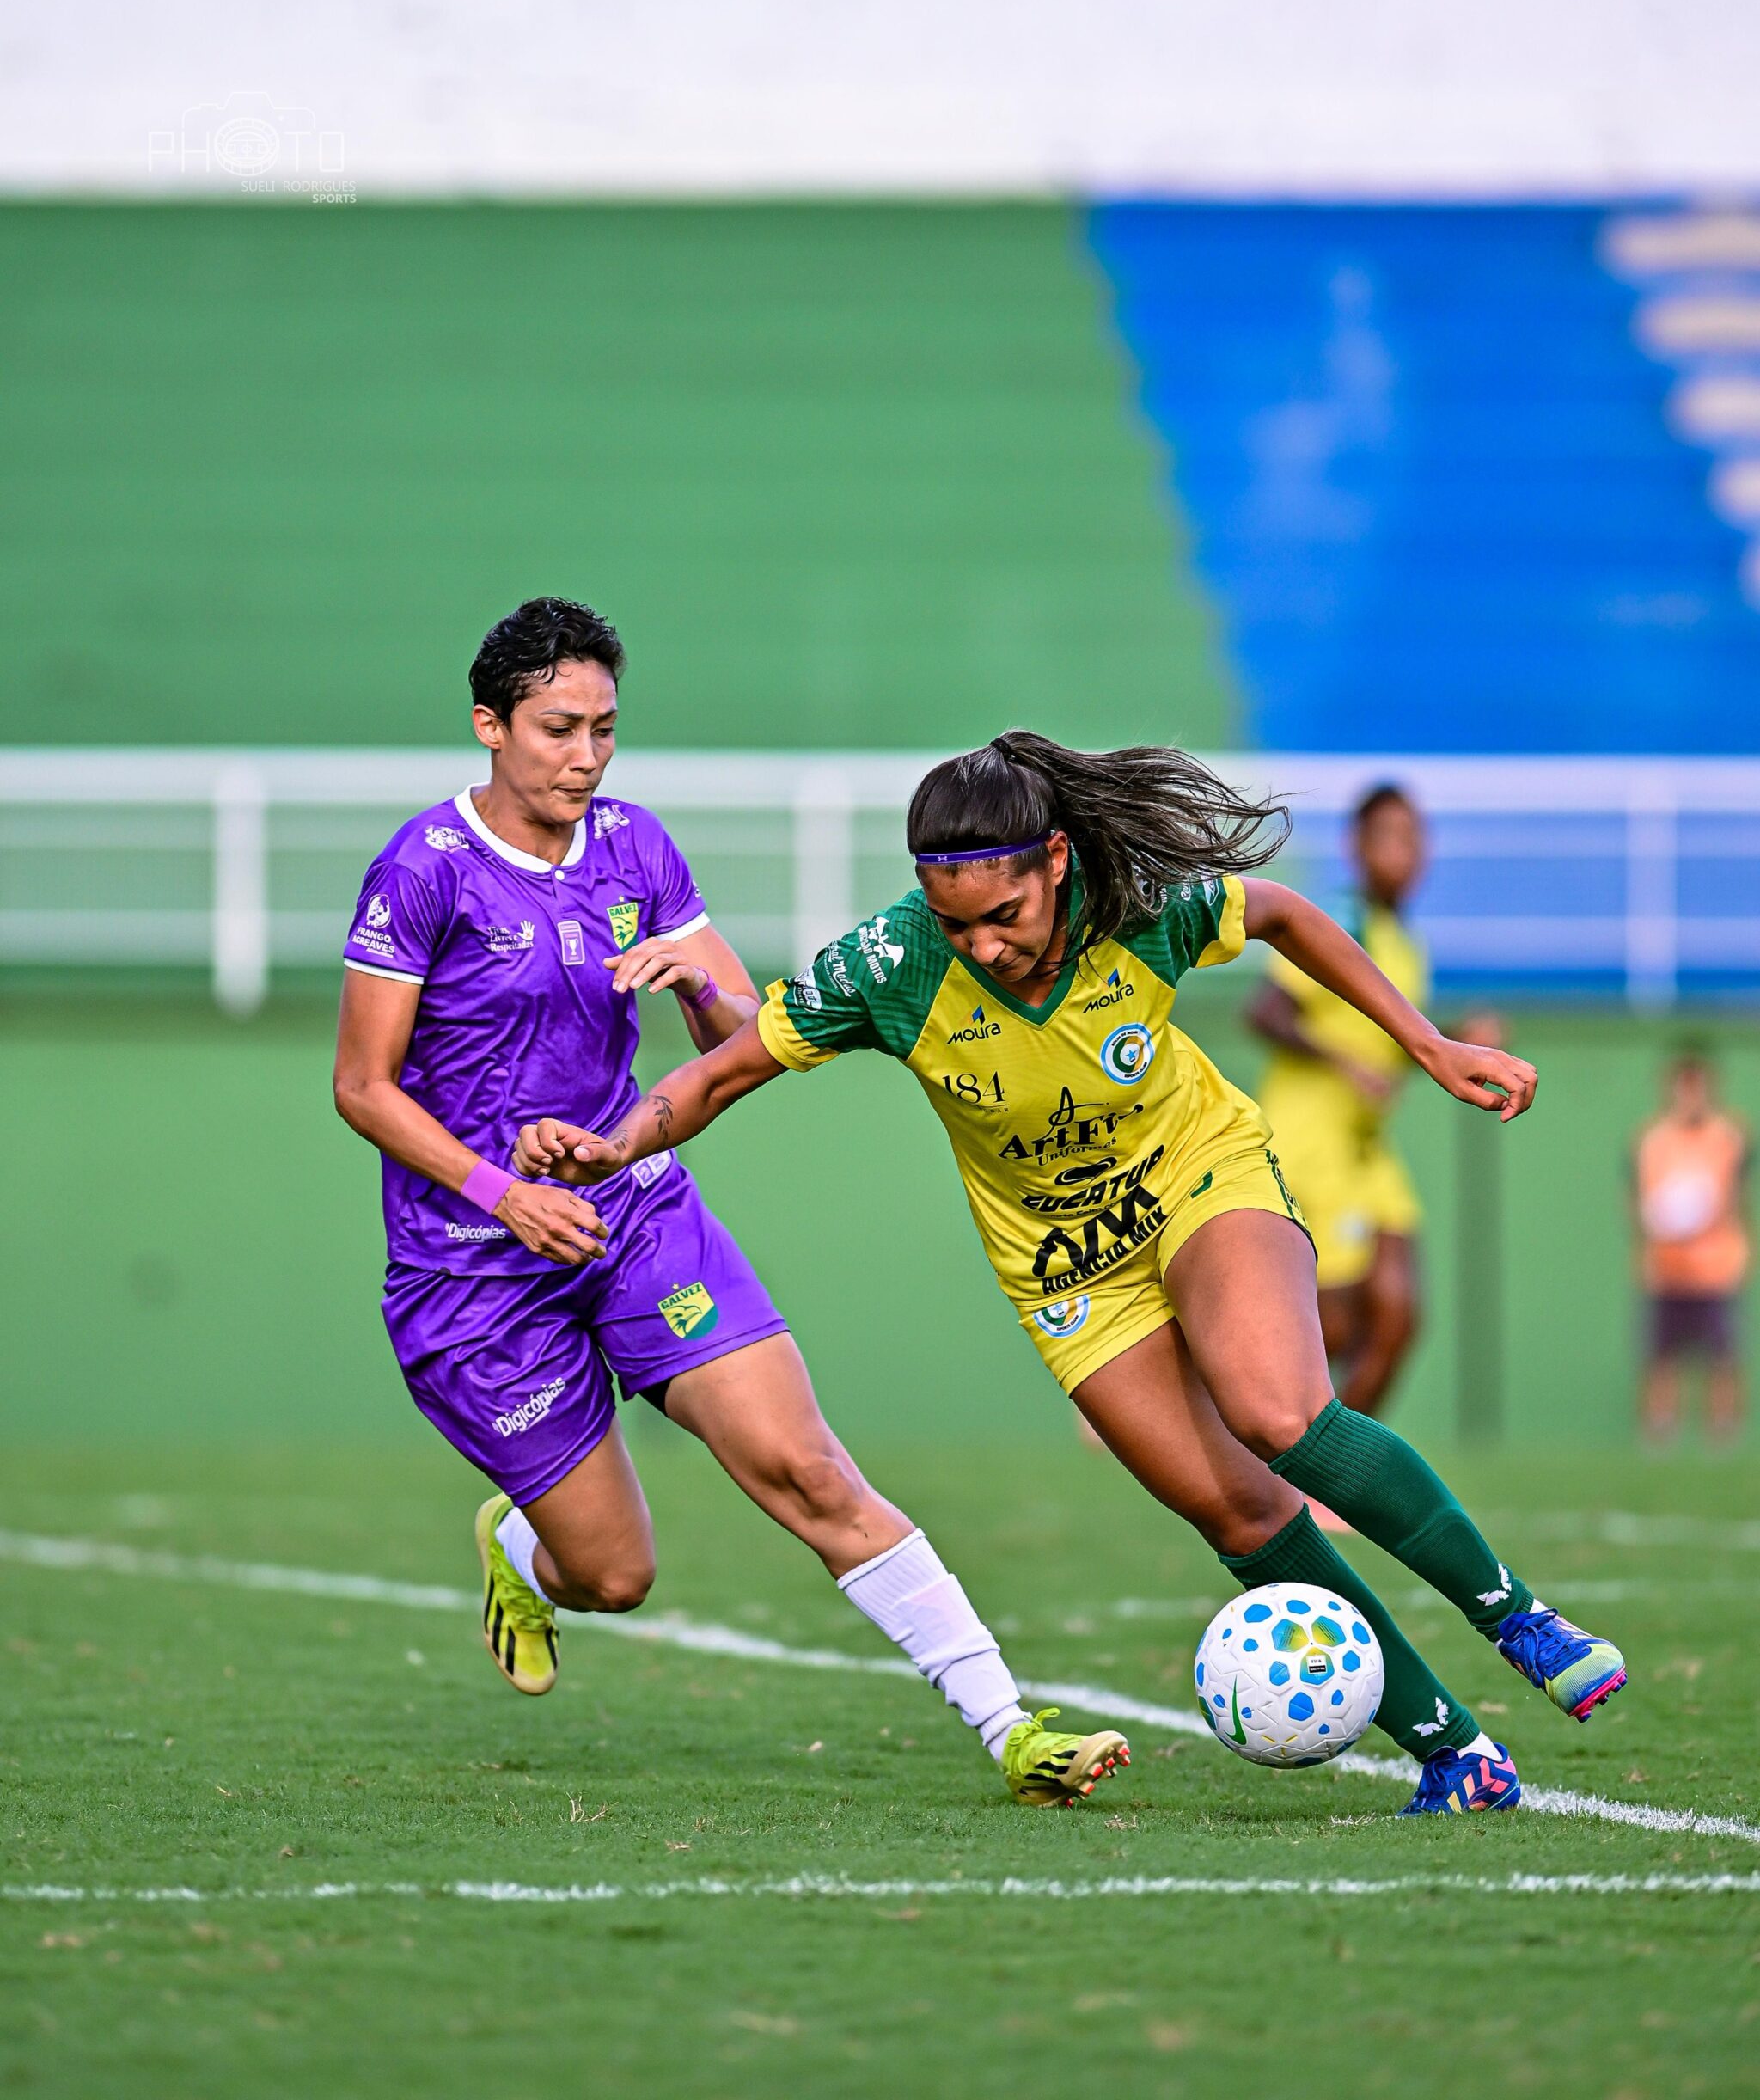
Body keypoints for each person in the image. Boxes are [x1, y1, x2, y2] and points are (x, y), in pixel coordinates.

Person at [516, 732, 1629, 1817]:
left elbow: (1281, 914)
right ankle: (1454, 1754)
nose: (984, 948)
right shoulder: (896, 965)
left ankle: (1518, 1619)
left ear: (1055, 863)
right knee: (1240, 1518)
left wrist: (1428, 1044)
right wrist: (620, 1142)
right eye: (958, 926)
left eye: (1003, 917)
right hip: (1068, 1273)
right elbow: (722, 1073)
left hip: (1198, 1176)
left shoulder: (1131, 904)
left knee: (1277, 1411)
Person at [332, 606, 1127, 1807]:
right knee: (615, 1576)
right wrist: (505, 1194)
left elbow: (740, 1032)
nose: (585, 757)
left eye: (604, 729)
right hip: (474, 1270)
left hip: (633, 1214)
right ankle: (520, 1550)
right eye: (557, 730)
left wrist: (697, 979)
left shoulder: (636, 850)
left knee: (807, 1470)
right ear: (490, 727)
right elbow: (361, 1087)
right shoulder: (423, 872)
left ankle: (1011, 1727)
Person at [1246, 782, 1427, 1421]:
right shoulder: (1341, 923)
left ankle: (1339, 1480)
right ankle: (1210, 1388)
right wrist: (1341, 1061)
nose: (1407, 852)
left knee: (1400, 1318)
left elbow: (1389, 1043)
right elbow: (1265, 1012)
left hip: (1368, 1151)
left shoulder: (1403, 943)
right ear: (1357, 847)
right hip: (1311, 1144)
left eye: (1415, 837)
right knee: (1338, 1331)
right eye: (1390, 836)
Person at [1634, 1049, 1749, 1443]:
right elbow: (1640, 1200)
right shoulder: (1653, 1138)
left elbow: (1732, 1196)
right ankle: (1659, 1436)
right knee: (1661, 1358)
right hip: (1666, 1268)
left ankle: (1723, 1435)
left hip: (1716, 1267)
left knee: (1721, 1357)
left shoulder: (1728, 1136)